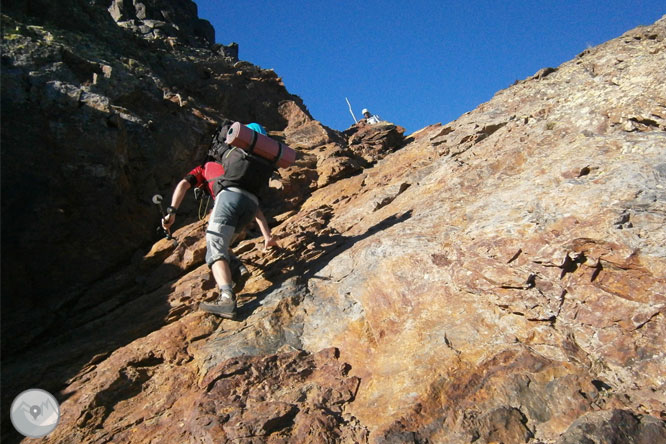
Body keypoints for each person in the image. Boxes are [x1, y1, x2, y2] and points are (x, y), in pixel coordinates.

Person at [162, 122, 278, 319]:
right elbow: (255, 205)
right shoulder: (237, 166)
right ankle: (238, 270)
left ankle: (226, 298)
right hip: (250, 205)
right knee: (222, 243)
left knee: (214, 246)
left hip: (228, 200)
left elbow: (183, 185)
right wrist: (267, 235)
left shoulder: (205, 167)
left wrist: (172, 211)